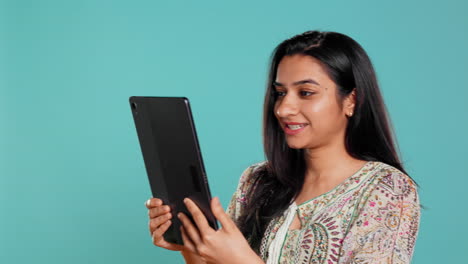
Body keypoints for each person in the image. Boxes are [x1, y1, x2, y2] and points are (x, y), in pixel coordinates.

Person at [145, 30, 421, 264]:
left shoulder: (387, 189)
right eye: (280, 93)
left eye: (306, 93)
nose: (284, 108)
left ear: (351, 100)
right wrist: (191, 247)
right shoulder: (256, 180)